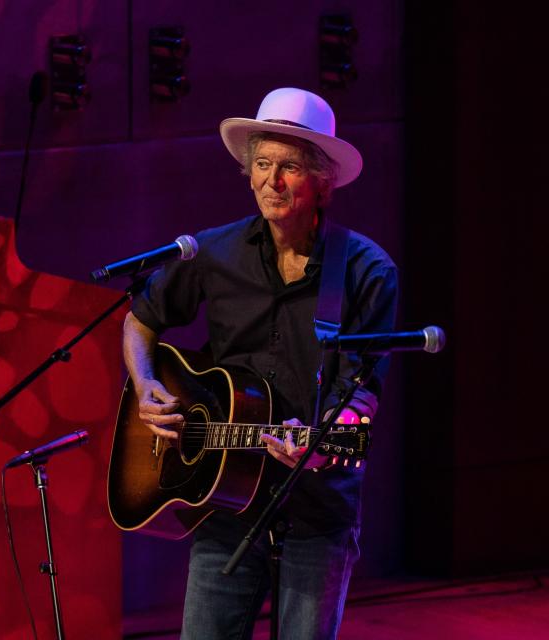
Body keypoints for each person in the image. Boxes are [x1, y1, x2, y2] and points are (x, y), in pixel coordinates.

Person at [122, 87, 398, 639]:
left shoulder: (365, 270)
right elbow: (140, 319)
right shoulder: (212, 253)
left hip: (316, 513)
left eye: (289, 167)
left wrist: (324, 441)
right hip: (222, 504)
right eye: (262, 164)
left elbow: (362, 395)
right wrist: (147, 382)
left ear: (323, 182)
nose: (271, 181)